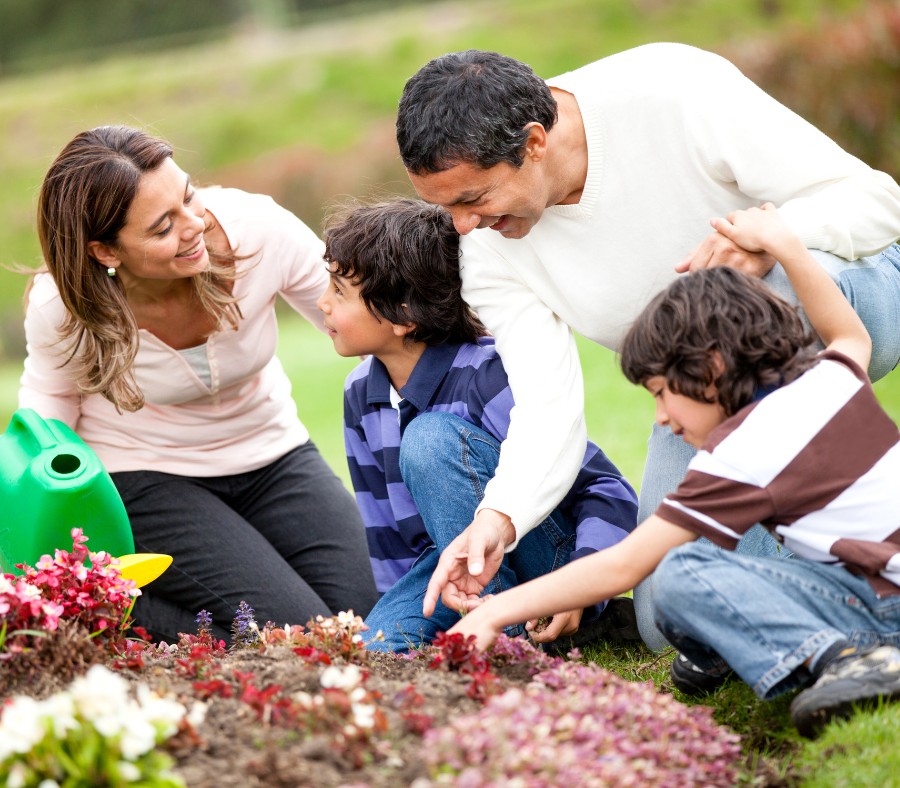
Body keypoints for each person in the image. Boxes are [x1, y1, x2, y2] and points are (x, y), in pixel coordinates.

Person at [396, 44, 900, 651]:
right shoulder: (487, 250)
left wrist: (776, 239)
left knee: (775, 291)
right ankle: (831, 598)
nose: (461, 227)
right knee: (668, 625)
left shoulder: (672, 89)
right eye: (443, 207)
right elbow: (546, 402)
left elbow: (878, 202)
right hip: (698, 390)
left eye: (472, 200)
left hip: (845, 294)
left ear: (534, 142)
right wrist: (498, 517)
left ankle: (836, 620)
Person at [445, 202, 900, 738]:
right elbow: (850, 335)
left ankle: (852, 662)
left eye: (662, 394)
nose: (661, 417)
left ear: (711, 370)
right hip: (871, 581)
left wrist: (495, 613)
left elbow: (624, 568)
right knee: (715, 569)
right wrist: (785, 244)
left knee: (681, 575)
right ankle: (731, 647)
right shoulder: (829, 378)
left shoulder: (747, 447)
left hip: (883, 609)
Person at [20, 126, 379, 644]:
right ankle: (110, 608)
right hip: (147, 475)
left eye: (189, 197)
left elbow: (357, 315)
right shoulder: (63, 305)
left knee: (367, 621)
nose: (194, 225)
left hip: (274, 454)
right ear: (105, 252)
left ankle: (164, 617)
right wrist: (57, 502)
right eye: (164, 227)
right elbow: (49, 401)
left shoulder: (256, 230)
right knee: (302, 637)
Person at [315, 199, 639, 653]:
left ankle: (506, 644)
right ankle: (493, 635)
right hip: (448, 575)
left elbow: (607, 489)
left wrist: (582, 583)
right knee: (372, 652)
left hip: (547, 566)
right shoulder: (360, 394)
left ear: (403, 316)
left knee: (429, 439)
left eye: (339, 291)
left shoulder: (487, 375)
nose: (321, 303)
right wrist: (397, 606)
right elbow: (388, 534)